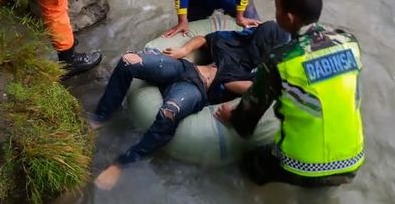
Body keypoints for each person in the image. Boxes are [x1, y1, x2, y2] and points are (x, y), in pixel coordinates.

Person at [90, 21, 290, 190]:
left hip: (195, 89)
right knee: (128, 61)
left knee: (169, 112)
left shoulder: (260, 76)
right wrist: (183, 50)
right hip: (185, 67)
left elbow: (244, 87)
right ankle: (102, 116)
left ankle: (122, 163)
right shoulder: (236, 41)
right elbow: (205, 38)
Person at [215, 0, 365, 187]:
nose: (275, 14)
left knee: (250, 163)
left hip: (301, 166)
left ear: (289, 17)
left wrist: (230, 115)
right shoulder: (349, 41)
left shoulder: (281, 60)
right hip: (352, 163)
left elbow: (245, 123)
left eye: (277, 8)